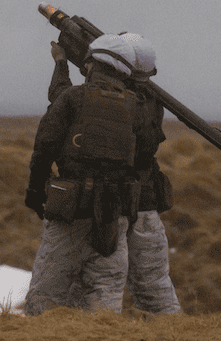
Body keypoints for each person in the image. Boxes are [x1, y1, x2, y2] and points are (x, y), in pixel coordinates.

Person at [44, 35, 181, 315]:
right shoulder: (149, 102)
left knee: (93, 284)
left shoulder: (114, 102)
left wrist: (61, 64)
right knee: (153, 288)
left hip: (109, 207)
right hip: (141, 206)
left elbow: (62, 101)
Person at [23, 33, 153, 316]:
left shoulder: (73, 98)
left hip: (70, 214)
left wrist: (34, 194)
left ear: (92, 64)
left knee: (45, 298)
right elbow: (144, 155)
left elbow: (44, 147)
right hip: (114, 217)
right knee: (105, 298)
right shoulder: (137, 107)